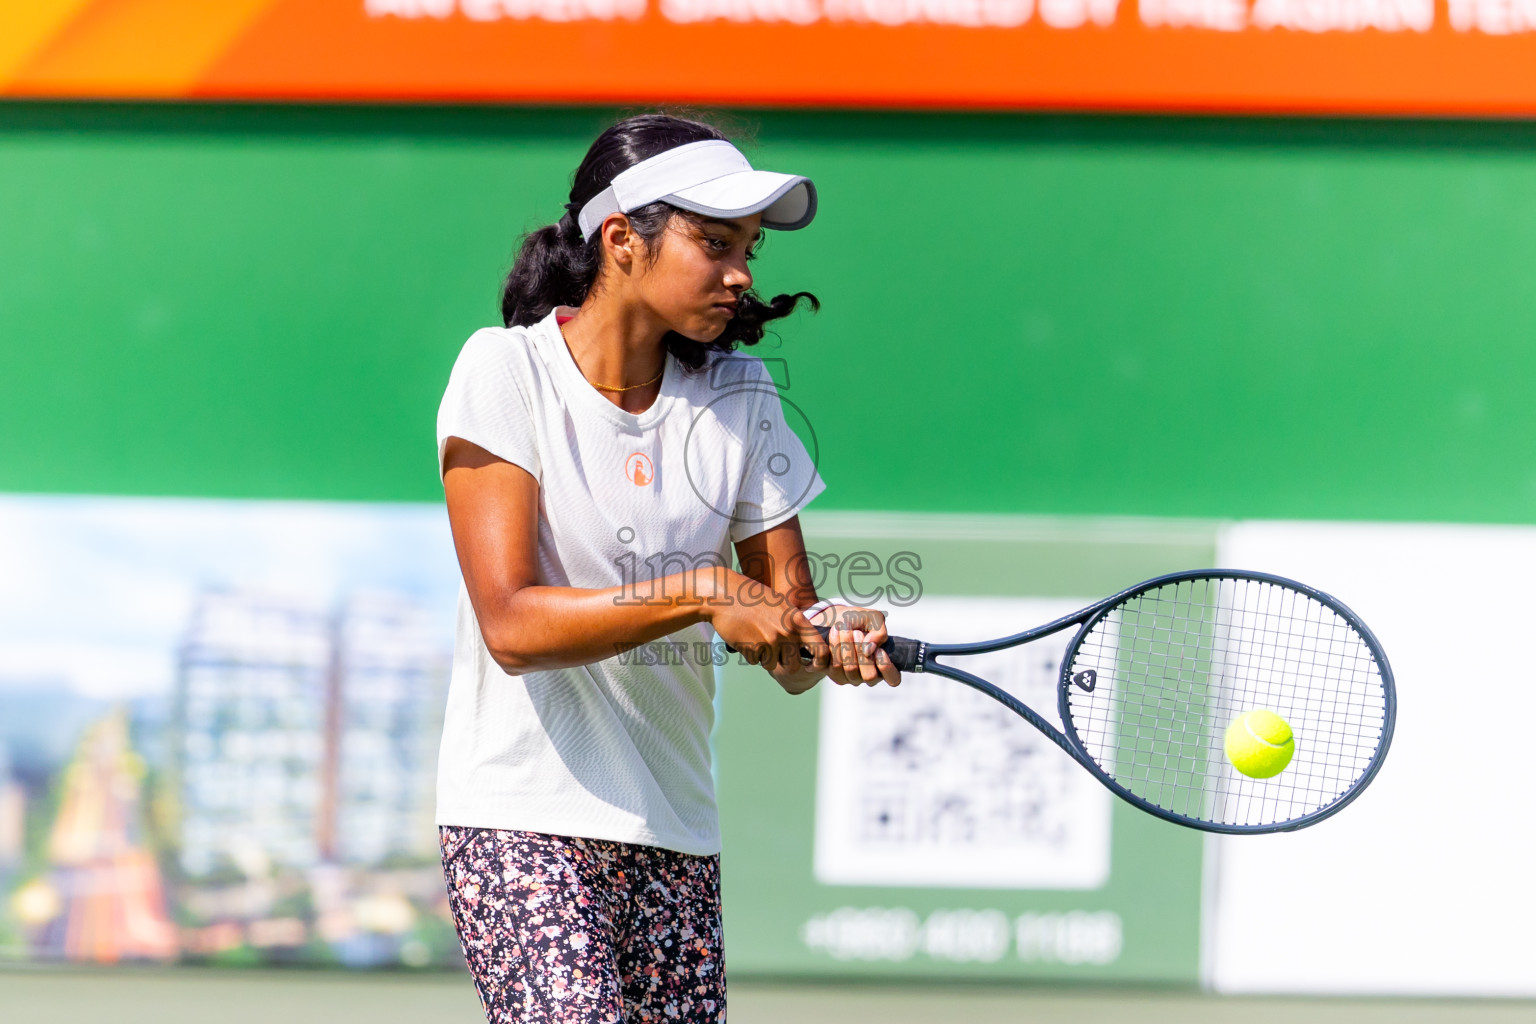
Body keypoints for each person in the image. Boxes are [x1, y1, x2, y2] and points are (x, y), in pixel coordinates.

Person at [434, 112, 900, 1024]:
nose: (742, 274)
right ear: (621, 239)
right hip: (519, 819)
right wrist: (702, 591)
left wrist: (823, 637)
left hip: (676, 833)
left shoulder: (744, 398)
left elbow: (789, 646)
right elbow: (513, 627)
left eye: (751, 249)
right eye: (714, 242)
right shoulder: (504, 370)